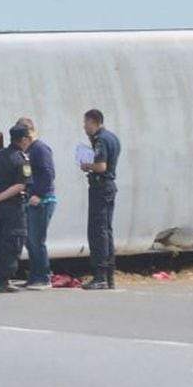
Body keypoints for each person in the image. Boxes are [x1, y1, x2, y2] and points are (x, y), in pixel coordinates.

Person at [0, 125, 33, 294]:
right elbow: (20, 185)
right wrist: (0, 197)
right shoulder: (21, 159)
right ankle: (4, 280)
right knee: (13, 241)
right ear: (24, 140)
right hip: (12, 206)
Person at [80, 109, 121, 290]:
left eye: (86, 123)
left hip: (100, 187)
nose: (84, 127)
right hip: (108, 187)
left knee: (97, 231)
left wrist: (87, 164)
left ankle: (100, 275)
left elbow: (101, 166)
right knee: (106, 229)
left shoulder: (100, 139)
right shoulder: (112, 137)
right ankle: (109, 274)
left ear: (94, 122)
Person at [16, 117, 57, 290]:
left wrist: (39, 194)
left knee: (37, 239)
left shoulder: (40, 149)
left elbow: (48, 173)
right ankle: (34, 275)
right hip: (31, 200)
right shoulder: (28, 151)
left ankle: (43, 276)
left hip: (42, 201)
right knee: (30, 240)